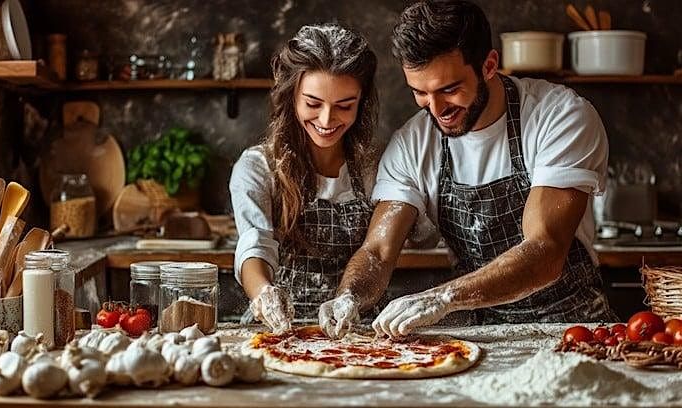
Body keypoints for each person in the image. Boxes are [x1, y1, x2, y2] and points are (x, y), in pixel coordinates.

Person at [318, 0, 617, 339]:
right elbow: (378, 251)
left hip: (573, 329)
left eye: (450, 89)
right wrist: (349, 296)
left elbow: (544, 251)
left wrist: (442, 298)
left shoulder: (559, 117)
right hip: (484, 338)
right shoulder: (412, 144)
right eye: (420, 93)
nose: (437, 109)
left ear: (489, 66)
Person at [229, 23, 379, 333]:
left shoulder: (372, 169)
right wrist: (263, 295)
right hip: (279, 330)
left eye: (344, 106)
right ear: (290, 96)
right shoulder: (258, 168)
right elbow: (254, 247)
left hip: (355, 331)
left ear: (361, 102)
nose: (326, 119)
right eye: (312, 103)